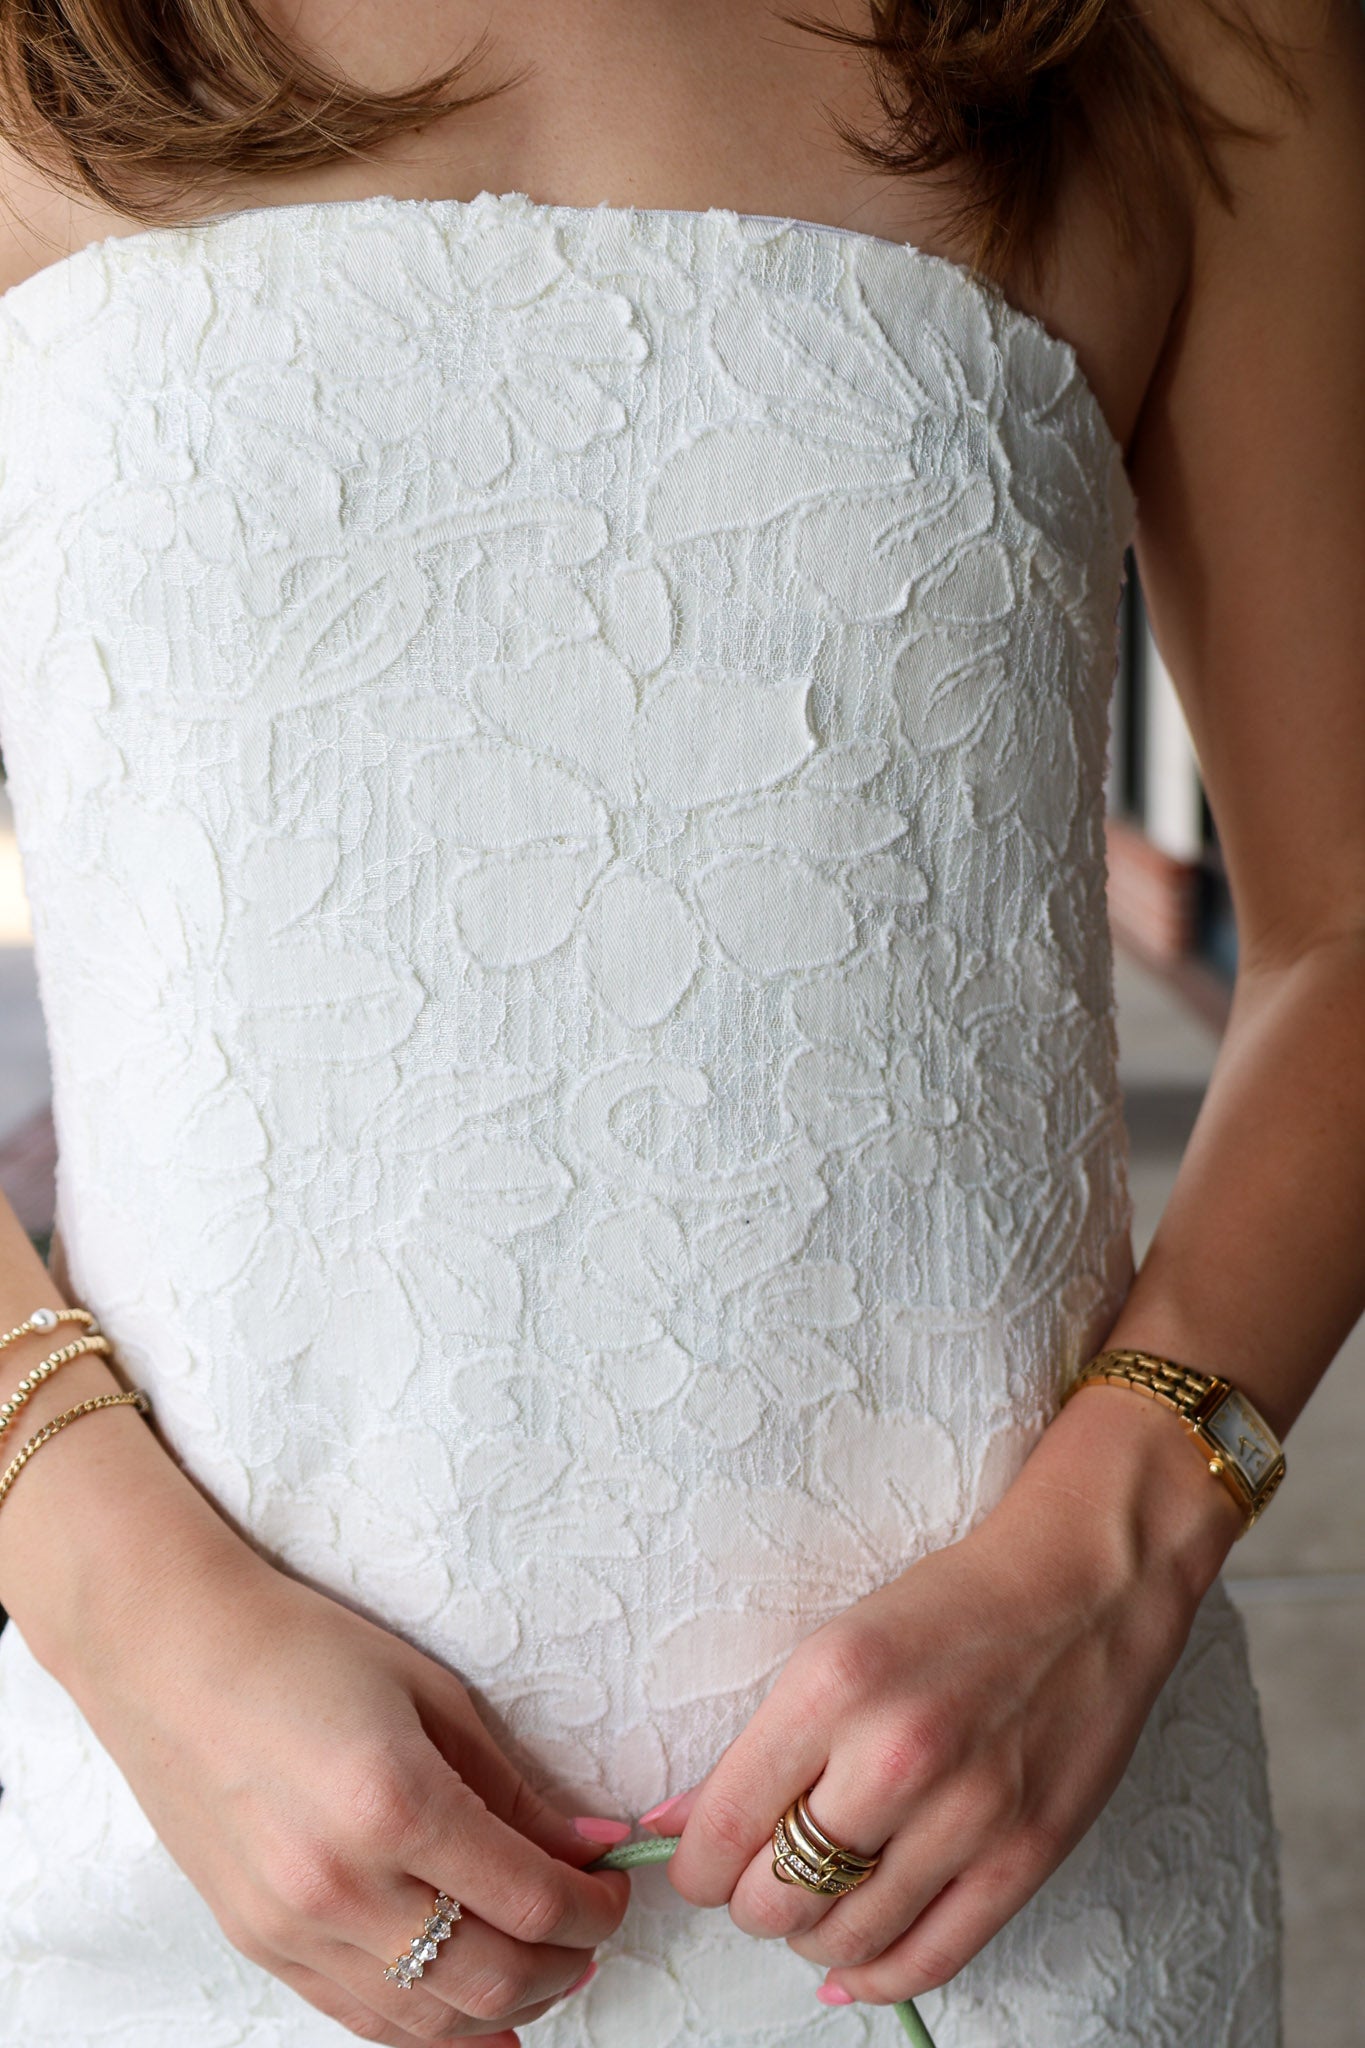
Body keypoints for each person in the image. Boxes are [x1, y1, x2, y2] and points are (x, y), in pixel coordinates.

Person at [0, 0, 1361, 2041]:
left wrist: (1122, 1543)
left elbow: (1342, 930)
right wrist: (116, 1591)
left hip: (997, 1890)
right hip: (199, 1872)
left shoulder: (1186, 33)